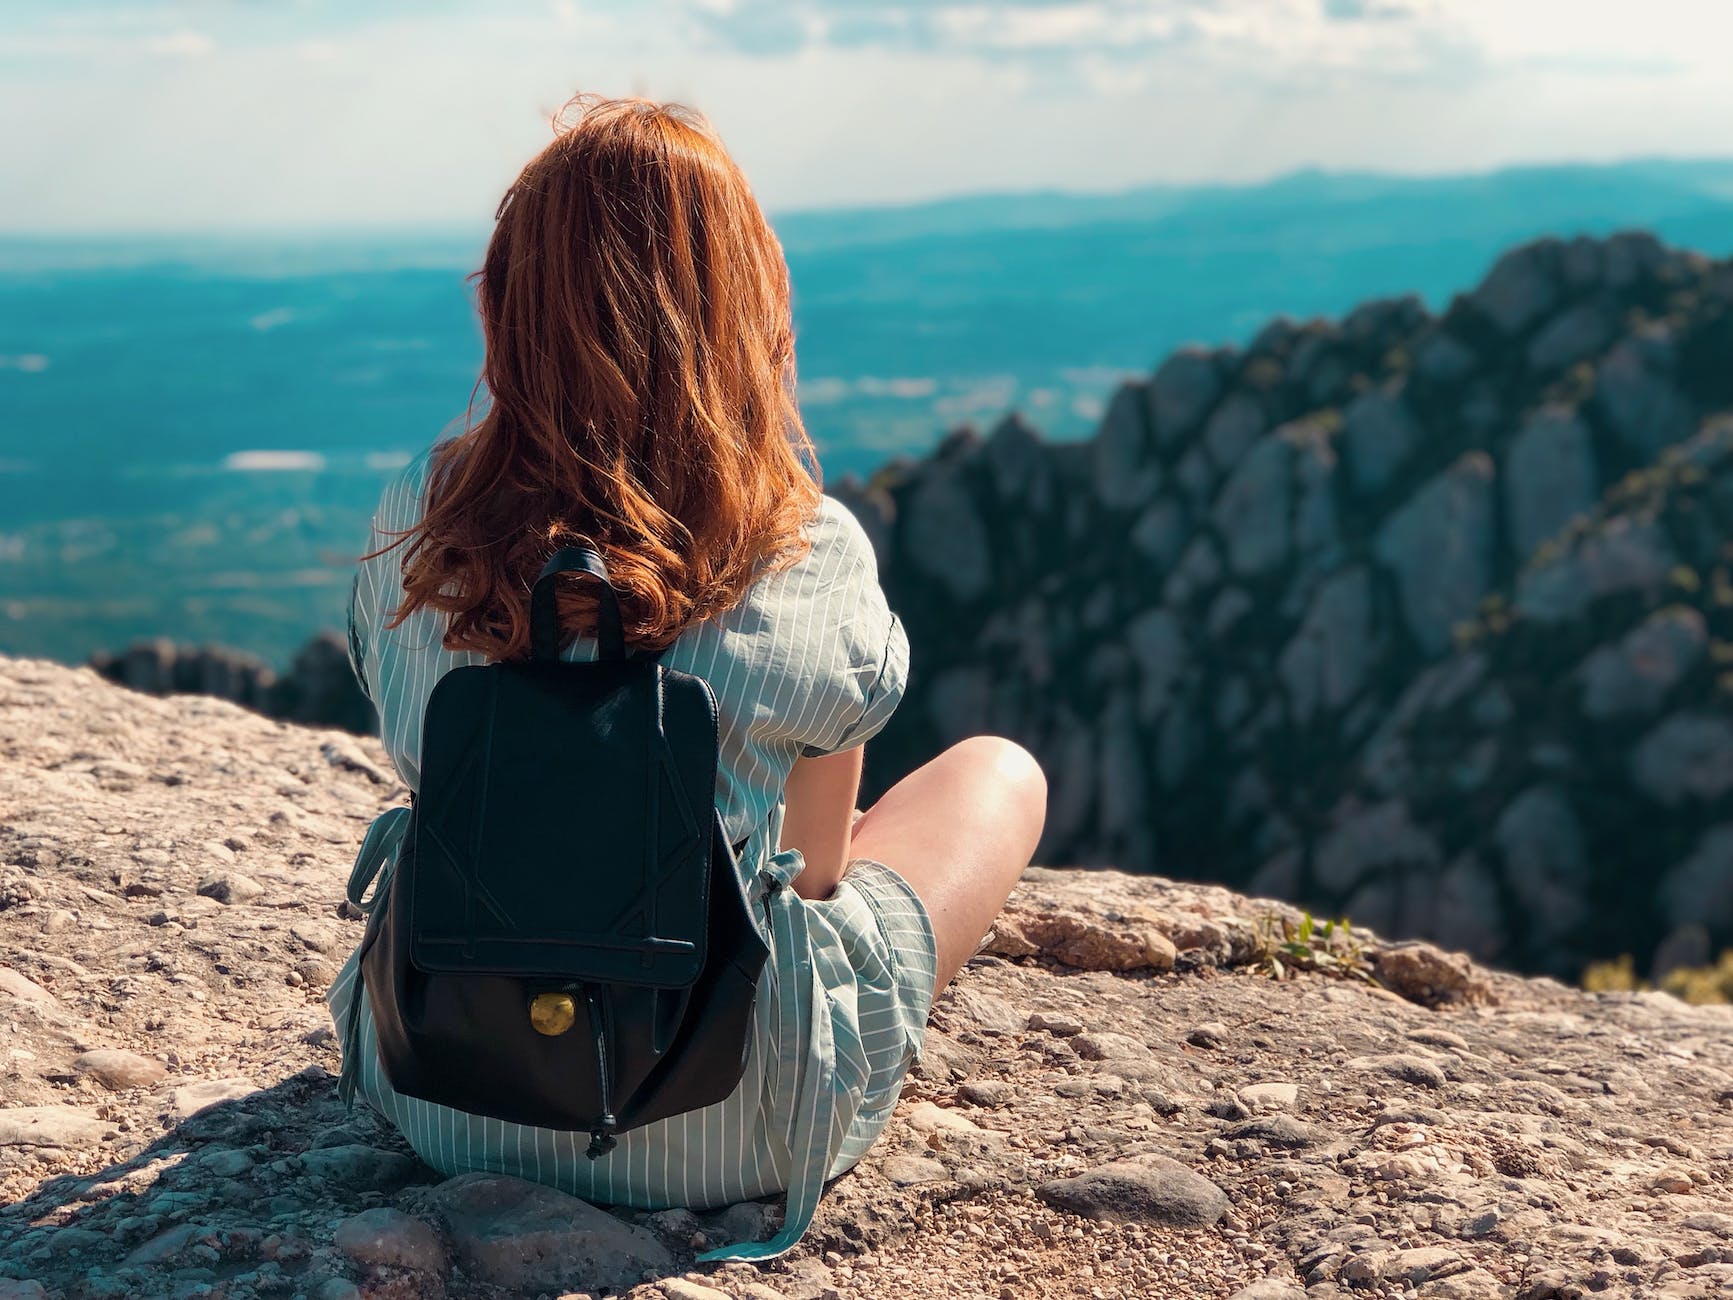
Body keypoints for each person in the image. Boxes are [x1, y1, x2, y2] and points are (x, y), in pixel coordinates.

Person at [326, 93, 1046, 1263]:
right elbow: (813, 885)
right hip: (744, 1114)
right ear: (745, 310)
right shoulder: (803, 543)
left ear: (504, 304)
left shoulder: (418, 518)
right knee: (994, 771)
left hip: (441, 1083)